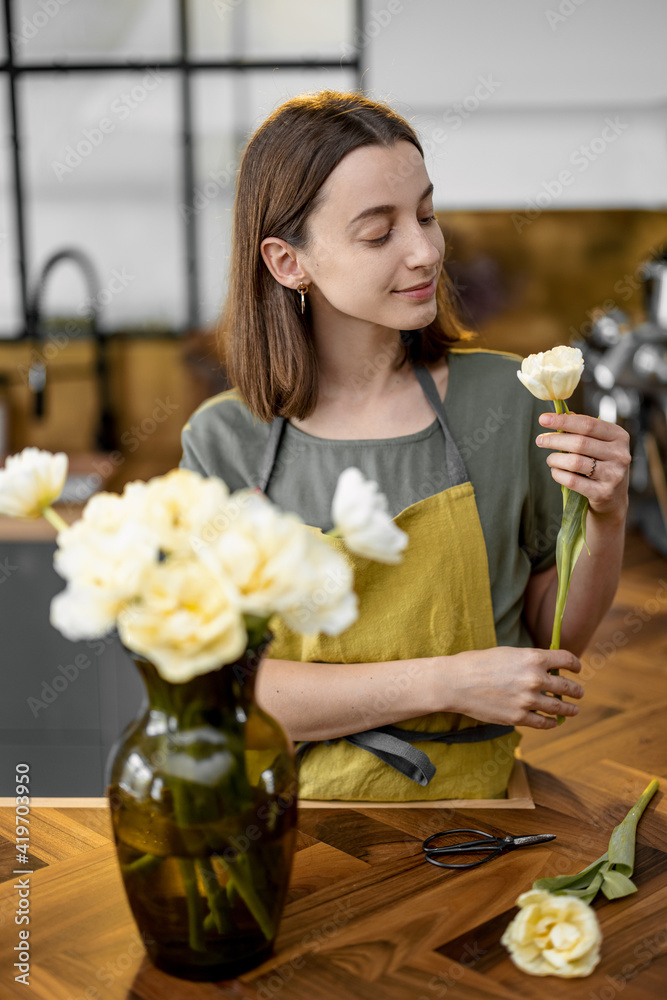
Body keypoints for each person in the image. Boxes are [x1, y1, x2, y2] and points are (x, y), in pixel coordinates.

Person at [180, 90, 631, 802]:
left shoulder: (510, 401)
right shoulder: (224, 441)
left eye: (425, 214)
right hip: (281, 825)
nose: (424, 250)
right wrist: (447, 682)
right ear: (286, 261)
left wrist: (605, 518)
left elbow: (553, 644)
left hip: (475, 813)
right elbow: (224, 689)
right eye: (377, 232)